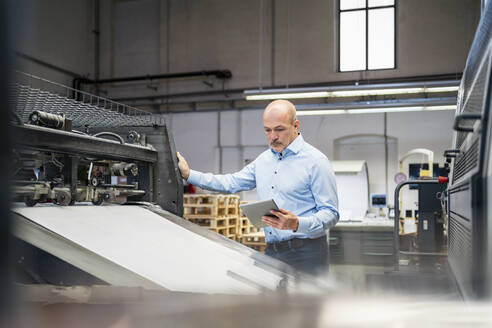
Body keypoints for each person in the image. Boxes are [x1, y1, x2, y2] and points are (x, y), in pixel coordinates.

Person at [176, 99, 339, 274]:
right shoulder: (263, 161)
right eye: (267, 130)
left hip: (307, 253)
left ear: (295, 126)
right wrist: (189, 174)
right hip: (272, 251)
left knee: (307, 302)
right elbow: (231, 182)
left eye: (279, 129)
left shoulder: (316, 162)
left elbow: (331, 213)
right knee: (272, 302)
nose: (273, 137)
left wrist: (297, 223)